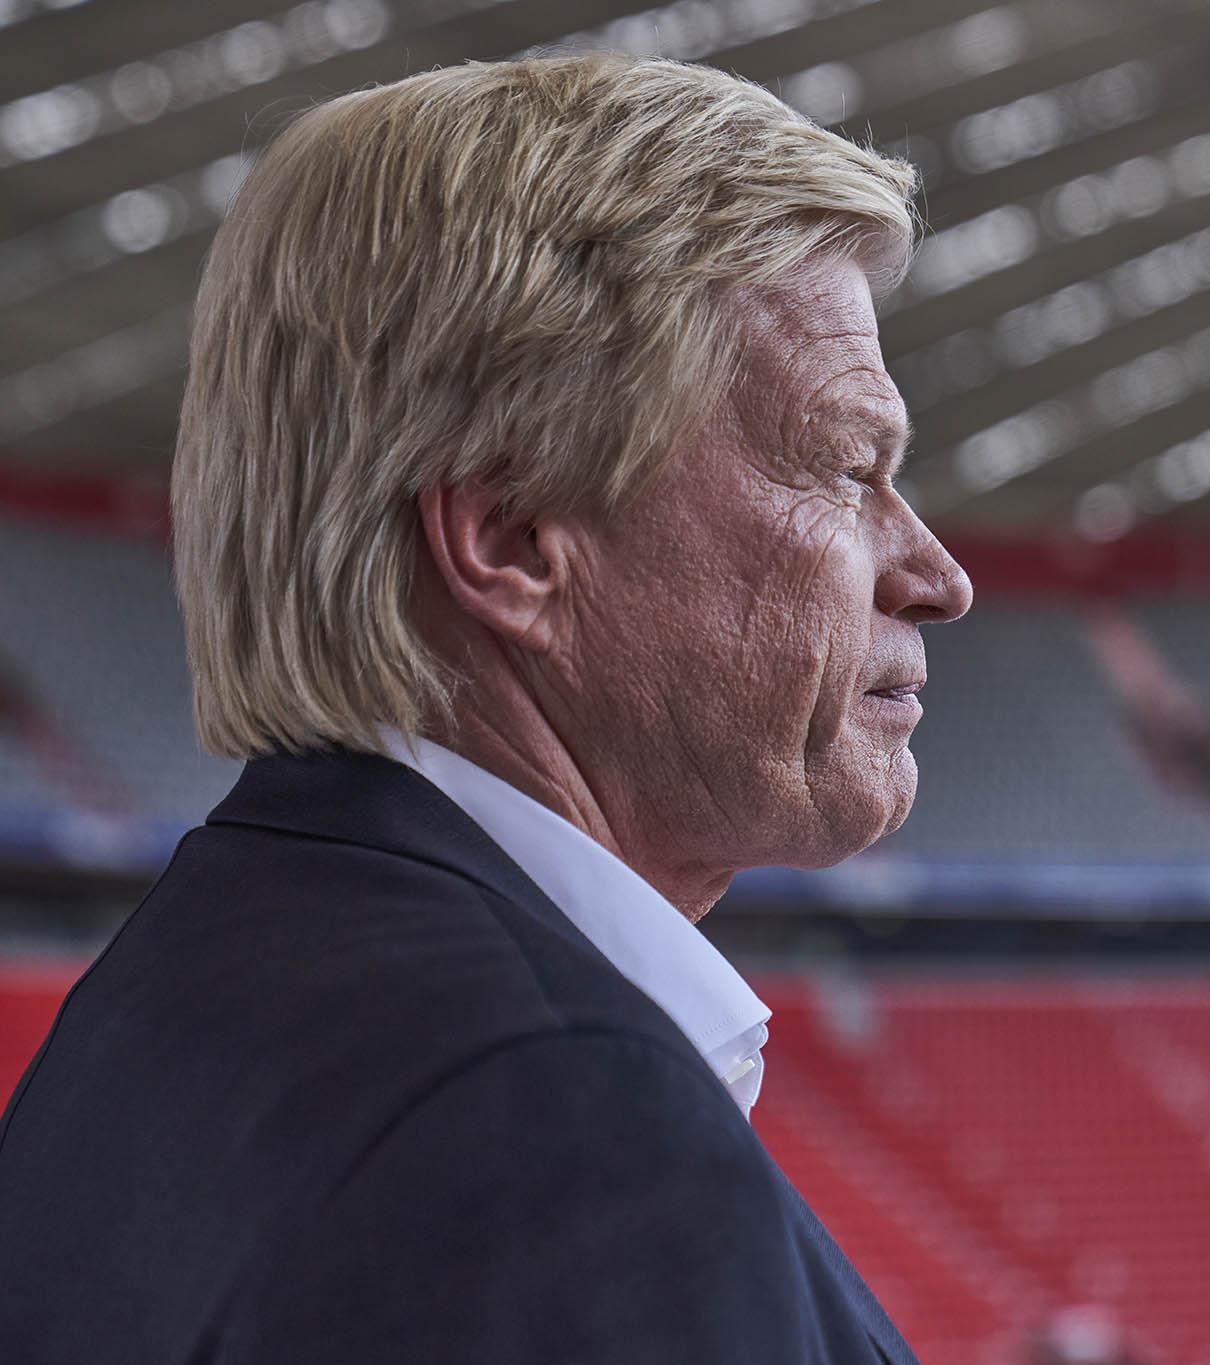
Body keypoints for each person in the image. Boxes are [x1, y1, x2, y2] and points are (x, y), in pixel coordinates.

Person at [0, 53, 969, 1364]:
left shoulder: (167, 1002)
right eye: (850, 469)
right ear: (511, 539)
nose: (938, 575)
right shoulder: (562, 1131)